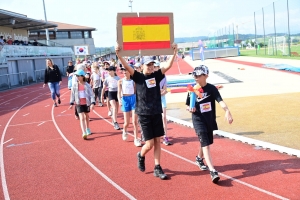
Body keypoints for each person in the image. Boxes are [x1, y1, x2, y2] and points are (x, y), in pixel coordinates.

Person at [115, 43, 178, 180]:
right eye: (147, 65)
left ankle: (157, 167)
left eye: (151, 65)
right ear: (142, 66)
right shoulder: (138, 77)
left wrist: (174, 53)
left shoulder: (156, 75)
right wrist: (119, 55)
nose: (150, 67)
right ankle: (141, 155)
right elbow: (126, 67)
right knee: (149, 144)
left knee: (157, 141)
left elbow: (168, 66)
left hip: (156, 112)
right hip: (143, 113)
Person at [186, 65, 233, 184]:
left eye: (198, 75)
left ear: (206, 75)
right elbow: (188, 105)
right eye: (194, 75)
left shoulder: (212, 89)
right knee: (206, 144)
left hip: (209, 119)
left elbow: (220, 100)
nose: (195, 77)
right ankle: (212, 171)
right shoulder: (192, 90)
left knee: (206, 141)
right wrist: (190, 109)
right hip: (198, 120)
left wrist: (227, 111)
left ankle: (198, 158)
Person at [117, 67, 141, 147]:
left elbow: (135, 91)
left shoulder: (134, 81)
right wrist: (119, 99)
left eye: (126, 70)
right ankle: (125, 130)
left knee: (135, 121)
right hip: (125, 100)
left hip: (133, 99)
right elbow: (119, 92)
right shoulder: (120, 81)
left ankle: (136, 138)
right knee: (126, 123)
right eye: (123, 70)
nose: (124, 72)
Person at [69, 69, 95, 139]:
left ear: (82, 76)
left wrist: (92, 103)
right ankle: (83, 132)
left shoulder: (87, 85)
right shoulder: (74, 85)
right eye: (76, 76)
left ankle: (87, 128)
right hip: (78, 103)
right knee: (81, 117)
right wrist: (71, 103)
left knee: (86, 116)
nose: (77, 77)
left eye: (78, 76)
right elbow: (72, 94)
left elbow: (91, 94)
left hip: (86, 103)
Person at [153, 61, 172, 146]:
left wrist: (161, 92)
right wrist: (159, 92)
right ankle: (151, 135)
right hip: (153, 100)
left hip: (162, 99)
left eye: (156, 66)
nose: (155, 68)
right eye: (154, 66)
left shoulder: (164, 77)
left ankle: (165, 136)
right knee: (153, 118)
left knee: (164, 117)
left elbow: (164, 90)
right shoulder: (151, 77)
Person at [101, 66, 120, 130]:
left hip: (117, 93)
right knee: (114, 107)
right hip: (110, 93)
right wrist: (101, 96)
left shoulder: (118, 78)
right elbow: (103, 88)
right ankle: (115, 122)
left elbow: (121, 87)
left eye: (110, 70)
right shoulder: (107, 79)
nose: (109, 72)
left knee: (116, 108)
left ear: (114, 71)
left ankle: (114, 118)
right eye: (108, 71)